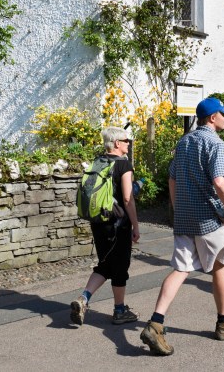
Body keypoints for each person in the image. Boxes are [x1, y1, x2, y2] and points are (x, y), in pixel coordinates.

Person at [140, 97, 224, 356]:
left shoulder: (184, 141)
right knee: (219, 267)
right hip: (210, 219)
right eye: (223, 114)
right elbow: (220, 182)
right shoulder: (216, 144)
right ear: (212, 118)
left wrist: (177, 207)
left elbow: (172, 178)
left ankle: (156, 323)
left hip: (185, 219)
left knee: (180, 269)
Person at [70, 126, 141, 327]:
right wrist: (135, 225)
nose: (129, 143)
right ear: (117, 143)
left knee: (105, 263)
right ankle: (120, 310)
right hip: (118, 224)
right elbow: (128, 199)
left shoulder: (98, 162)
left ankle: (83, 299)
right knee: (119, 267)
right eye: (126, 141)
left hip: (98, 221)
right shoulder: (123, 165)